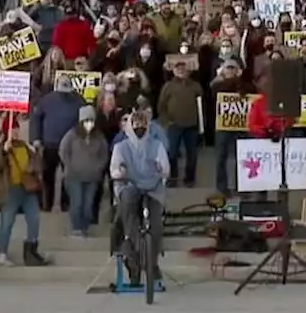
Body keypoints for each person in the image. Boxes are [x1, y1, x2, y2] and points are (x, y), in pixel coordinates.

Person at [109, 110, 170, 284]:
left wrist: (161, 169)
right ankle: (131, 259)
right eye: (136, 127)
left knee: (156, 225)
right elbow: (113, 169)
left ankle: (152, 263)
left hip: (152, 188)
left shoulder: (156, 145)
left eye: (143, 127)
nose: (140, 131)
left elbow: (165, 167)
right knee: (128, 222)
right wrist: (119, 172)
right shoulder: (121, 147)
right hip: (129, 185)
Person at [0, 118, 51, 266]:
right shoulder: (0, 148)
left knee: (34, 219)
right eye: (12, 129)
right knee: (7, 222)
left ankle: (31, 249)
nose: (16, 132)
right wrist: (4, 151)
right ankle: (2, 253)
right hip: (10, 189)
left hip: (27, 188)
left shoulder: (25, 147)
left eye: (16, 129)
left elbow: (39, 164)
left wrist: (34, 160)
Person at [30, 75, 84, 212]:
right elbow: (36, 119)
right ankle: (46, 204)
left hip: (70, 145)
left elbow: (84, 120)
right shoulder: (47, 100)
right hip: (50, 144)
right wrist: (36, 138)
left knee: (69, 176)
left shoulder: (78, 101)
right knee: (48, 176)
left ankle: (65, 204)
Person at [59, 106, 109, 238]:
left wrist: (98, 167)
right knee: (77, 203)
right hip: (74, 177)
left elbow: (104, 154)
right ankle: (76, 229)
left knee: (88, 205)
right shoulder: (71, 135)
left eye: (91, 120)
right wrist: (70, 166)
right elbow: (63, 151)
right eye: (86, 120)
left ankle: (84, 228)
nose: (89, 124)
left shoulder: (99, 137)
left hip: (92, 177)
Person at [157, 59, 203, 187]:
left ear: (188, 71)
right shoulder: (168, 86)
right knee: (172, 153)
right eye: (178, 69)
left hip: (192, 125)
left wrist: (201, 126)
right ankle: (173, 178)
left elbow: (201, 105)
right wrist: (166, 121)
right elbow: (161, 105)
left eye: (184, 68)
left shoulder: (195, 86)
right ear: (173, 71)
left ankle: (190, 179)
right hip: (174, 125)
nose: (181, 71)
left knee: (192, 154)